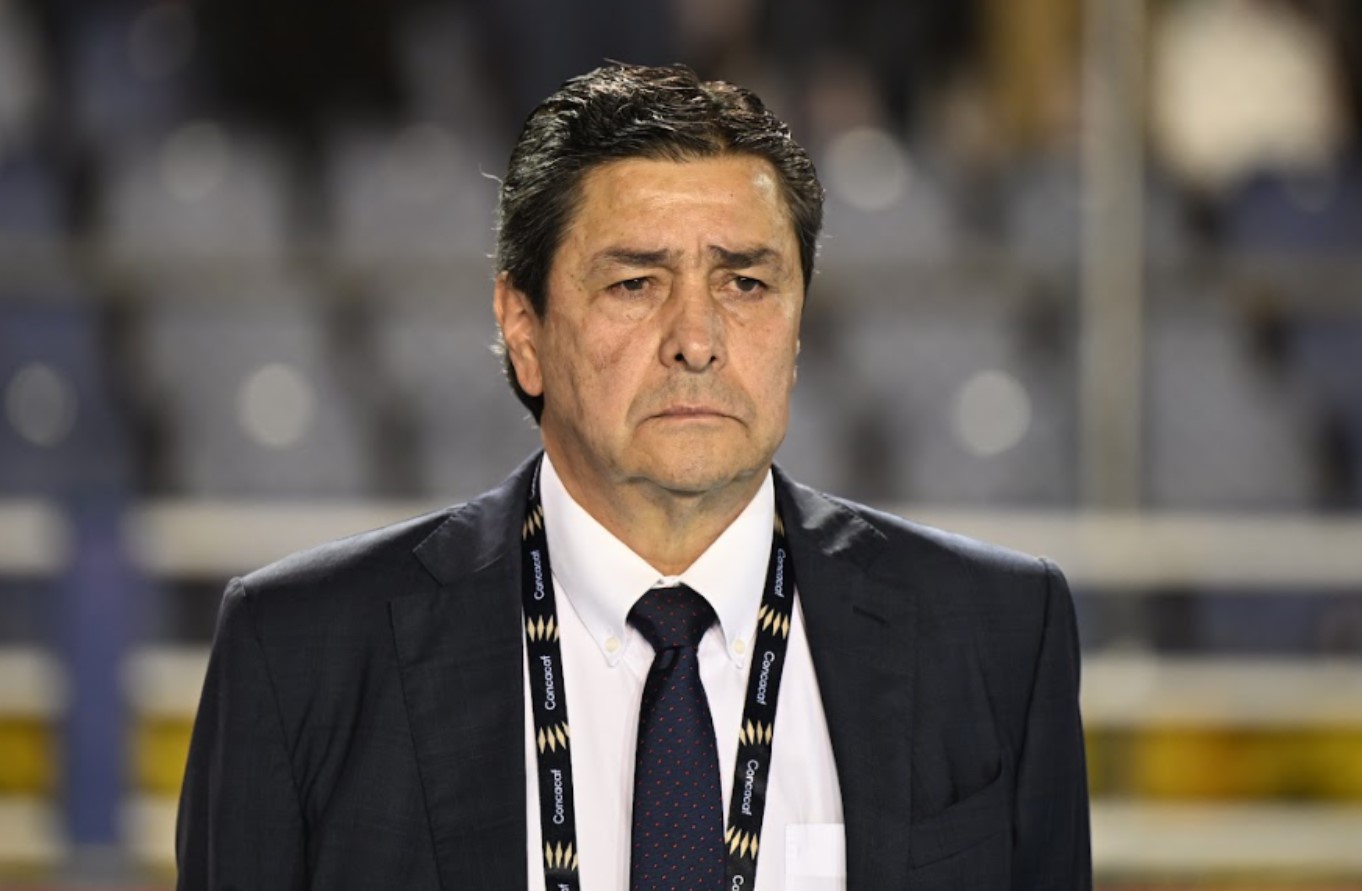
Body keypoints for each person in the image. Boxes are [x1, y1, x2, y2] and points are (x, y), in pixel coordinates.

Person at [176, 63, 1091, 890]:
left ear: (798, 325)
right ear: (524, 329)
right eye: (635, 283)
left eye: (745, 283)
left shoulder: (998, 634)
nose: (696, 340)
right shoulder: (302, 652)